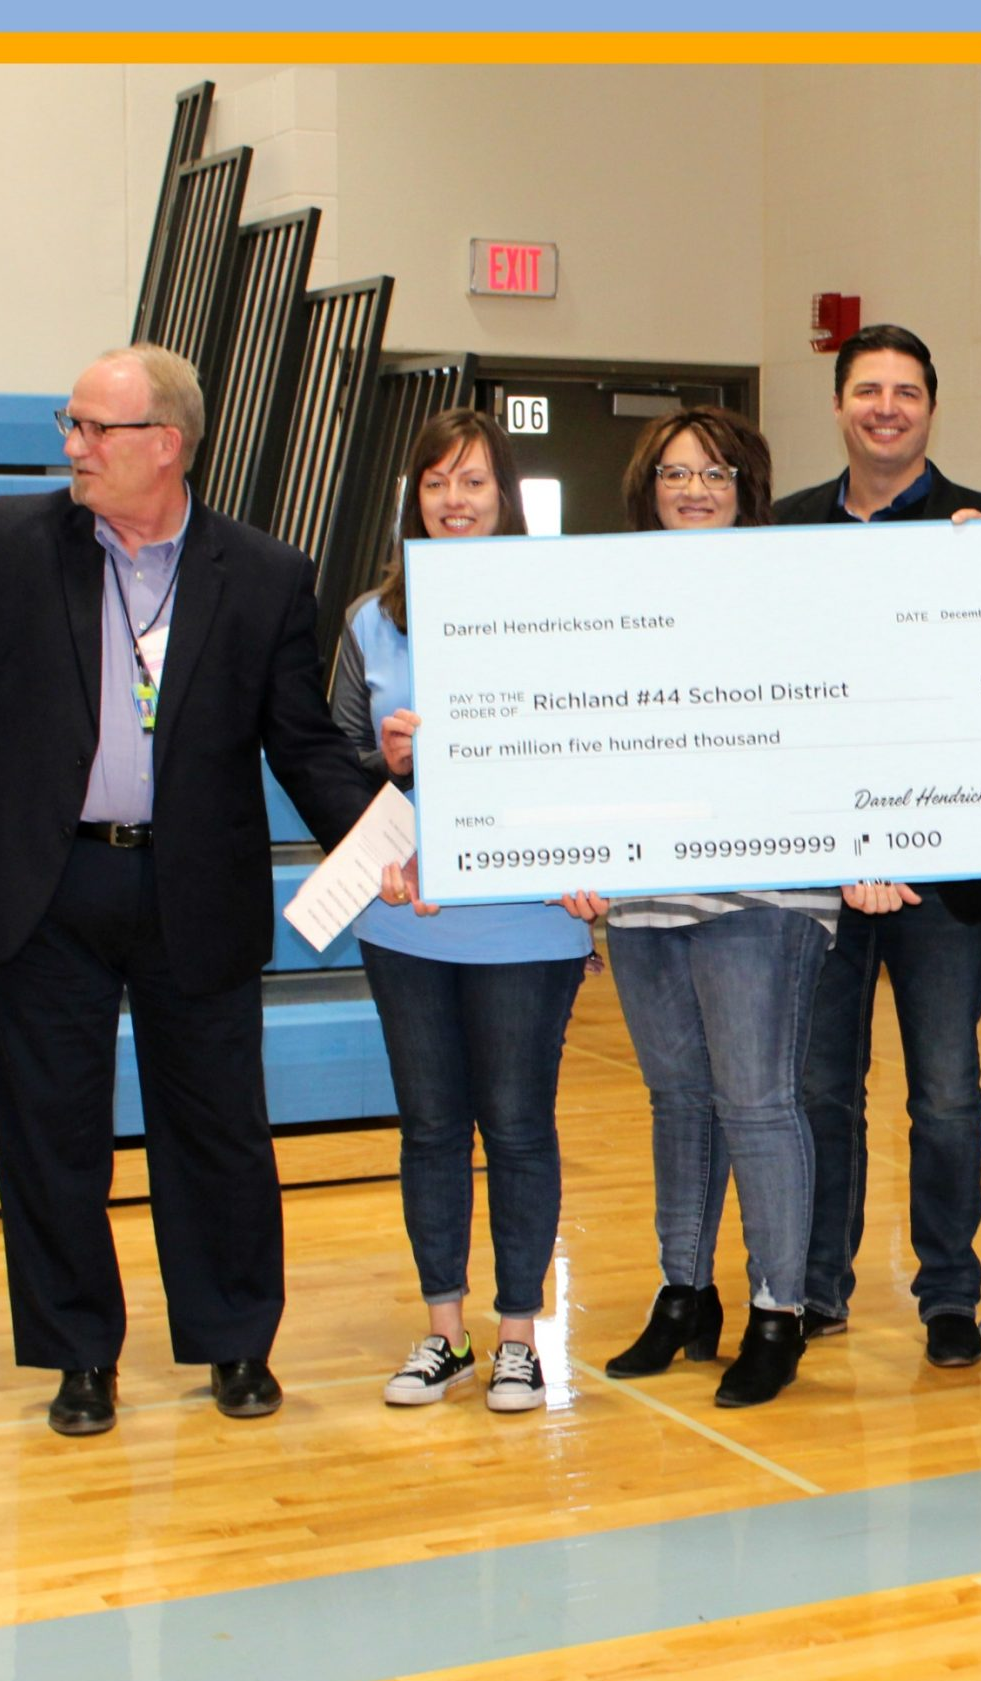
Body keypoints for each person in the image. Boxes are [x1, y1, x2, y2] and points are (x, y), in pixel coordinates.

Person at [0, 343, 378, 1438]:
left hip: (195, 884)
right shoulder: (14, 541)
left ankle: (236, 1340)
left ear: (167, 444)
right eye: (72, 423)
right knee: (51, 1134)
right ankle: (79, 1353)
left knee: (218, 1129)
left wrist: (389, 841)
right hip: (45, 885)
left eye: (97, 428)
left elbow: (304, 744)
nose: (74, 447)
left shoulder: (265, 574)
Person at [555, 405, 908, 1409]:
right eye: (676, 474)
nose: (694, 491)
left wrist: (870, 840)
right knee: (677, 1100)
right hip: (644, 892)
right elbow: (580, 732)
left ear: (748, 490)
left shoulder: (795, 593)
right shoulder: (608, 600)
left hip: (765, 890)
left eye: (715, 474)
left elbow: (845, 718)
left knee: (757, 1101)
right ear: (648, 489)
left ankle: (777, 1310)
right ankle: (685, 1293)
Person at [772, 325, 981, 1369]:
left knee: (948, 1096)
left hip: (944, 881)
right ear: (838, 404)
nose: (887, 407)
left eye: (906, 391)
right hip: (818, 875)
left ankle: (950, 1295)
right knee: (819, 1092)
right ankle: (818, 1286)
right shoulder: (778, 530)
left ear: (932, 406)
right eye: (868, 389)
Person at [333, 410, 589, 1415]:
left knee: (518, 1125)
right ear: (414, 497)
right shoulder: (370, 620)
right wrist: (386, 764)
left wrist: (592, 861)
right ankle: (445, 1331)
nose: (454, 500)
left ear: (505, 495)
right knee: (431, 1126)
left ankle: (520, 1336)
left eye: (474, 481)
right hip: (408, 918)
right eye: (435, 482)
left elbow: (593, 747)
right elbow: (332, 762)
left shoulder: (562, 607)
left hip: (527, 920)